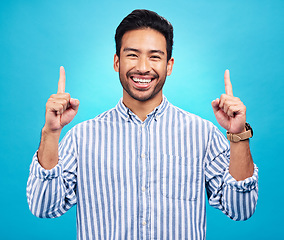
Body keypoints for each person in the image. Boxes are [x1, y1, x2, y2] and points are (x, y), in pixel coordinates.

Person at [27, 9, 258, 240]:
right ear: (117, 61)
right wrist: (51, 132)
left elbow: (240, 209)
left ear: (169, 65)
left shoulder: (202, 134)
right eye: (133, 55)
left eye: (155, 56)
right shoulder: (82, 137)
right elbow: (44, 207)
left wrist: (238, 135)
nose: (143, 67)